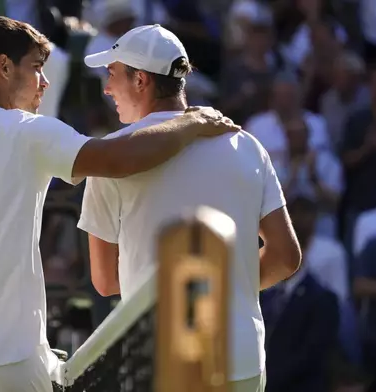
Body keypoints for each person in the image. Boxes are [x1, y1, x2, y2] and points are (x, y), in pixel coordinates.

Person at [0, 15, 239, 392]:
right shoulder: (30, 131)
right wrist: (193, 122)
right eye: (37, 69)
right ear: (4, 67)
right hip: (10, 362)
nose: (45, 82)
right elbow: (119, 160)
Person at [77, 24, 301, 392]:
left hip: (160, 364)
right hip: (240, 357)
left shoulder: (109, 158)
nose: (106, 88)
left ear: (141, 81)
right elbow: (285, 257)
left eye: (113, 74)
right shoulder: (246, 145)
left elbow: (106, 281)